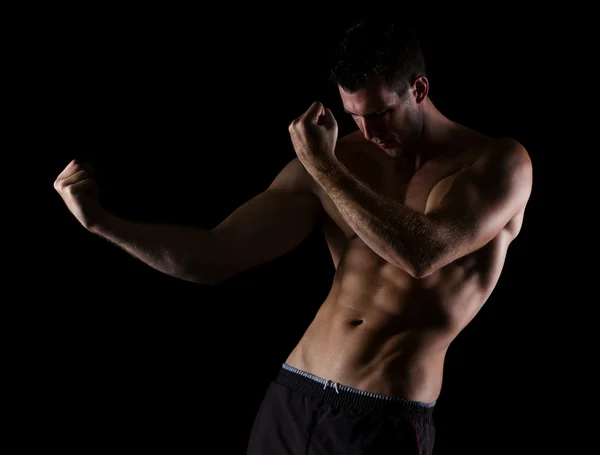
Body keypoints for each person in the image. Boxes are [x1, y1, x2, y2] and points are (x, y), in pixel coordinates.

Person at [54, 19, 533, 455]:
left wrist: (324, 167)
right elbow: (215, 255)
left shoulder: (498, 164)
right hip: (293, 394)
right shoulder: (341, 160)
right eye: (354, 115)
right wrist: (102, 223)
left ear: (419, 89)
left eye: (381, 113)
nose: (367, 132)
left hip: (384, 415)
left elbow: (423, 251)